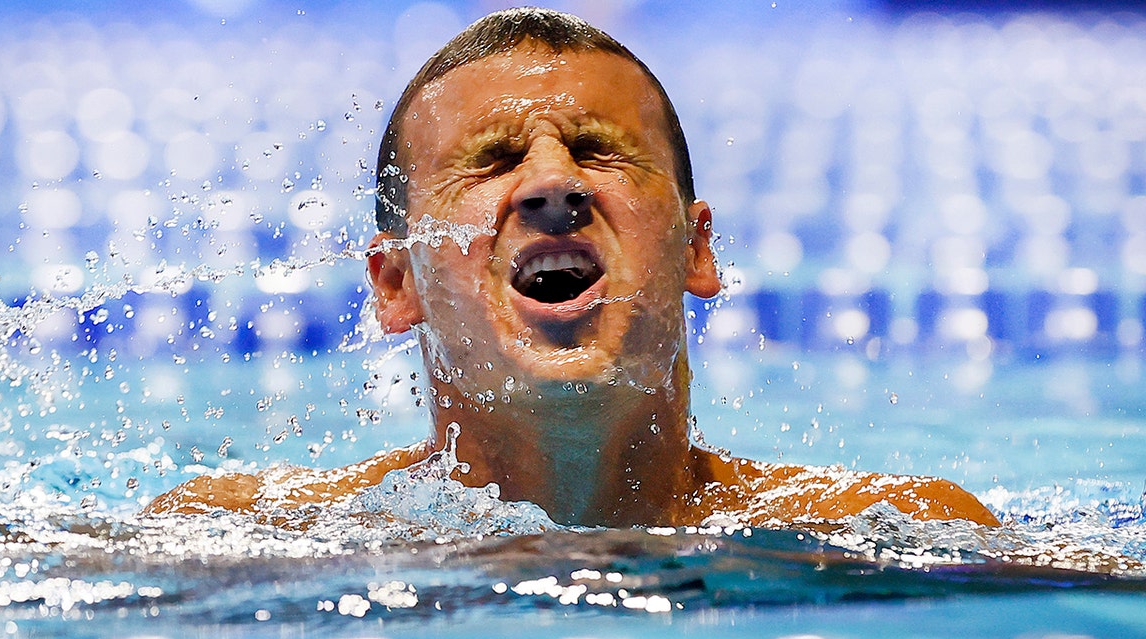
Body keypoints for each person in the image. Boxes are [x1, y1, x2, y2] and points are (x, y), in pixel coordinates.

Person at [147, 8, 999, 529]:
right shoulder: (252, 539)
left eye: (600, 151)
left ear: (697, 250)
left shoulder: (897, 531)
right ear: (395, 284)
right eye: (492, 160)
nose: (554, 183)